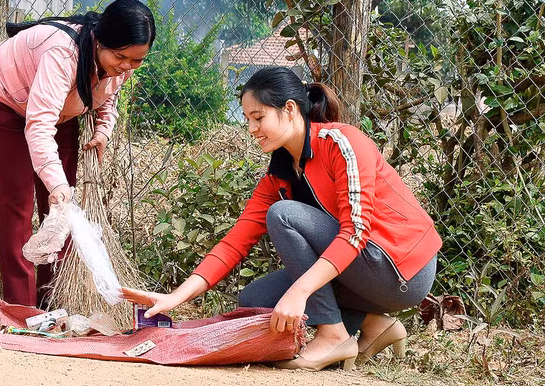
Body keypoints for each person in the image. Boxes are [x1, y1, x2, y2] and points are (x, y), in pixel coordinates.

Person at [123, 66, 441, 371]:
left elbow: (355, 232)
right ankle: (376, 325)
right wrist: (174, 297)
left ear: (289, 109)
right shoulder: (280, 174)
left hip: (402, 269)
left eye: (258, 117)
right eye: (247, 119)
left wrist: (300, 292)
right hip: (363, 272)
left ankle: (333, 335)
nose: (251, 129)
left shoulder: (341, 143)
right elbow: (235, 242)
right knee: (255, 300)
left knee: (284, 215)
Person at [0, 0, 156, 306]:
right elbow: (38, 124)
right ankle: (21, 307)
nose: (127, 66)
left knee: (61, 206)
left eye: (137, 60)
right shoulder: (62, 54)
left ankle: (52, 301)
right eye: (121, 56)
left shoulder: (119, 62)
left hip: (60, 108)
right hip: (8, 98)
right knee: (18, 202)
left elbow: (108, 94)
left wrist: (102, 131)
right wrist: (56, 184)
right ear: (99, 39)